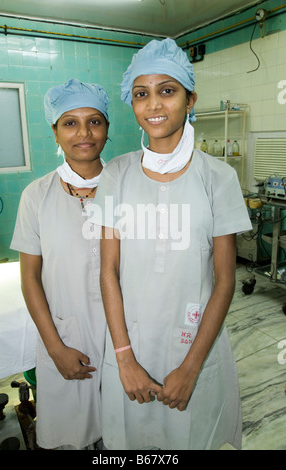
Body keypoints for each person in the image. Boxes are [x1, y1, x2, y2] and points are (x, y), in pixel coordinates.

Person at [91, 38, 252, 450]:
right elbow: (107, 271)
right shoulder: (116, 176)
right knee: (134, 445)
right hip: (132, 347)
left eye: (167, 90)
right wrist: (124, 358)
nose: (154, 105)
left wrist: (191, 368)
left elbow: (224, 280)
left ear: (189, 98)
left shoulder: (218, 177)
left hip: (194, 344)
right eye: (142, 94)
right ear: (132, 103)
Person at [10, 78, 109, 450]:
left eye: (94, 121)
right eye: (70, 122)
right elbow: (30, 279)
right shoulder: (37, 196)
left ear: (107, 129)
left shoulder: (128, 188)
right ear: (55, 133)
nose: (83, 132)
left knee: (124, 435)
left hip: (124, 339)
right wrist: (55, 348)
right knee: (73, 435)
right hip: (67, 337)